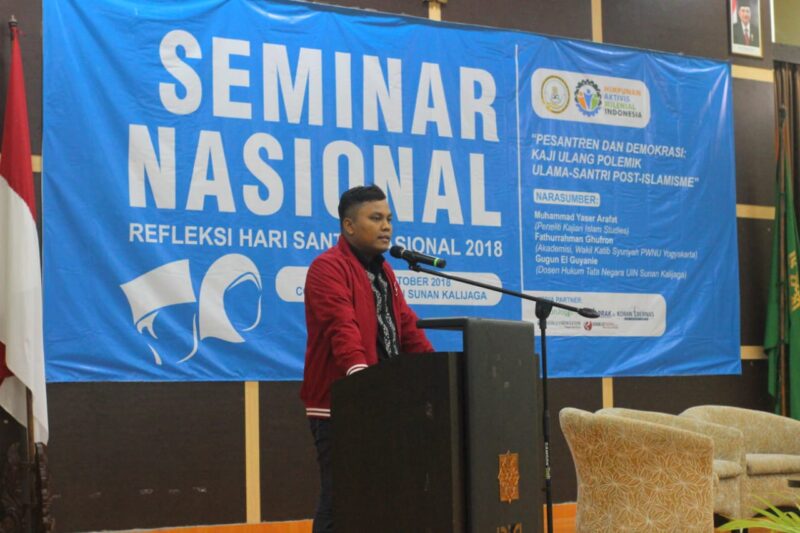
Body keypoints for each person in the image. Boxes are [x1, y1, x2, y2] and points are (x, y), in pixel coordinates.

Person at [300, 184, 434, 533]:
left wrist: (438, 373)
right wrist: (363, 384)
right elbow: (342, 330)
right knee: (340, 499)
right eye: (375, 218)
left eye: (388, 218)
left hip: (383, 403)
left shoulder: (383, 272)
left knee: (380, 499)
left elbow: (406, 327)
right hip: (342, 405)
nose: (386, 226)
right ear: (349, 226)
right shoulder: (328, 268)